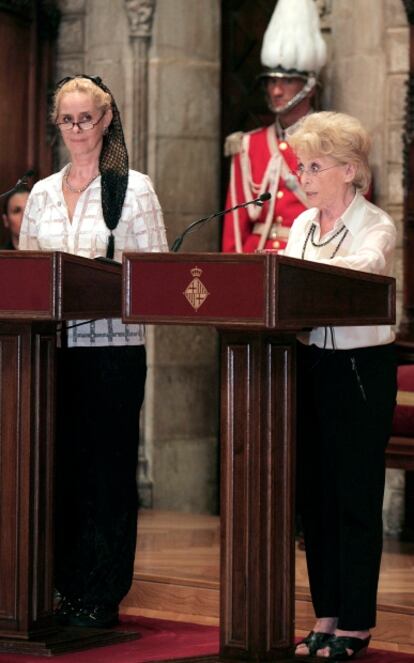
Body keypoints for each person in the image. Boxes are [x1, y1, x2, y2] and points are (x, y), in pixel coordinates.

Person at [19, 75, 168, 628]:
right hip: (50, 352)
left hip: (111, 353)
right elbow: (26, 275)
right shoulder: (38, 193)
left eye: (87, 118)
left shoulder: (135, 188)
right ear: (56, 125)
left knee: (104, 474)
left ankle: (101, 592)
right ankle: (61, 585)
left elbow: (153, 275)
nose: (77, 129)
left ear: (107, 120)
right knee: (57, 471)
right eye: (67, 119)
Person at [283, 111, 397, 660]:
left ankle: (355, 623)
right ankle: (325, 614)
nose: (303, 177)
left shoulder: (377, 224)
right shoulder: (302, 226)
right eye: (301, 166)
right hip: (311, 366)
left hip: (360, 370)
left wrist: (296, 279)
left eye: (315, 166)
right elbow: (281, 284)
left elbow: (361, 270)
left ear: (349, 170)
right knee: (316, 499)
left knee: (353, 497)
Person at [221, 0, 326, 253]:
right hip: (257, 259)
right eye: (271, 82)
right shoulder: (248, 145)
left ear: (309, 87)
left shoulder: (333, 144)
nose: (276, 90)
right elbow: (235, 226)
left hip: (310, 257)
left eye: (288, 81)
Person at [2, 184, 30, 249]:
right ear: (6, 220)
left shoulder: (54, 254)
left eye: (30, 209)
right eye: (17, 211)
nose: (25, 216)